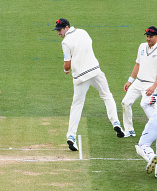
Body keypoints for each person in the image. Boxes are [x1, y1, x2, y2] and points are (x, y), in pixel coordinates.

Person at [53, 18, 125, 152]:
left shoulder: (65, 42)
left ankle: (71, 137)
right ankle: (116, 123)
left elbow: (67, 64)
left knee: (77, 105)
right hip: (95, 70)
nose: (58, 33)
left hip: (81, 76)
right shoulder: (83, 32)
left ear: (67, 27)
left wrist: (65, 70)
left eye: (60, 29)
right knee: (107, 95)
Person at [122, 26, 157, 137]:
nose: (148, 39)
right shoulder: (142, 47)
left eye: (151, 37)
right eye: (147, 36)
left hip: (151, 84)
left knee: (146, 105)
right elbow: (137, 64)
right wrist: (130, 81)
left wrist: (153, 87)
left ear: (156, 36)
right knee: (125, 102)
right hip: (138, 82)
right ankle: (129, 130)